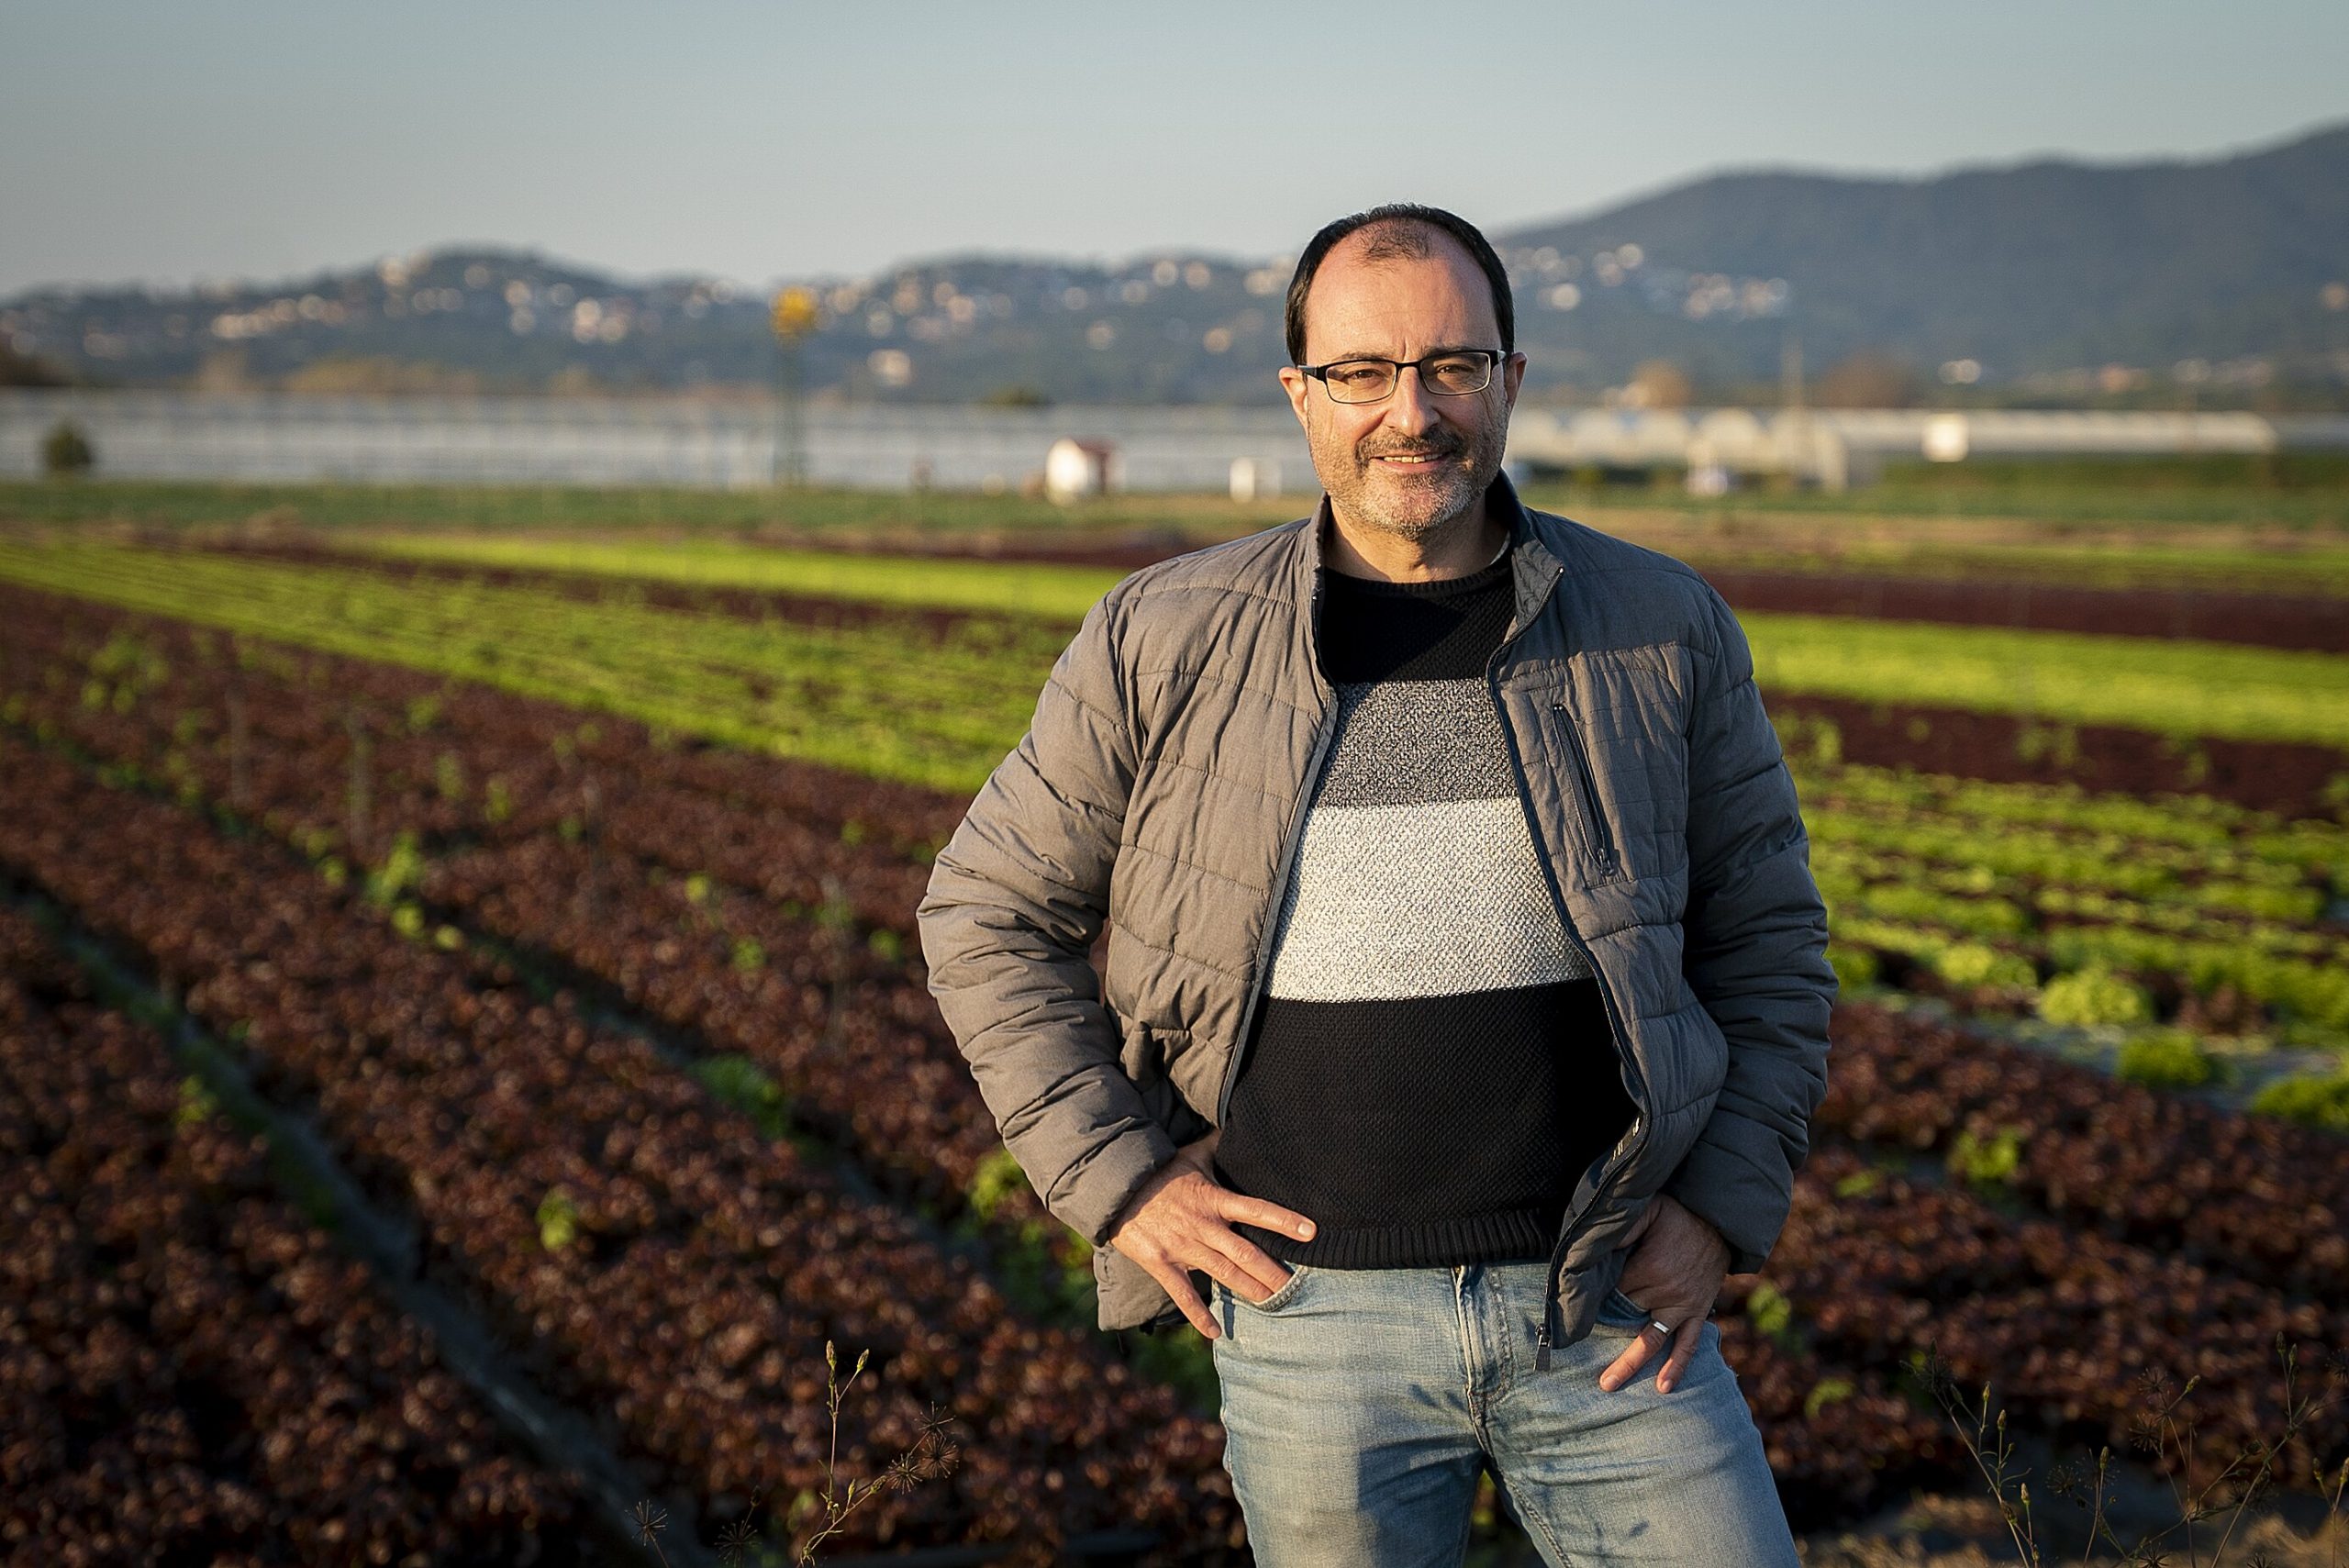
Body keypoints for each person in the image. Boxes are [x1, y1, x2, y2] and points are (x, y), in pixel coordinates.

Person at [918, 203, 1834, 1566]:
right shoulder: (1167, 635)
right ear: (1302, 396)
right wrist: (1120, 1185)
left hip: (1604, 1309)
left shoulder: (1658, 627)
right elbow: (983, 911)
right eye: (1363, 372)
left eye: (1454, 365)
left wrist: (1718, 1213)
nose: (1413, 411)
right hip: (1313, 1326)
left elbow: (1769, 947)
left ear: (1511, 382)